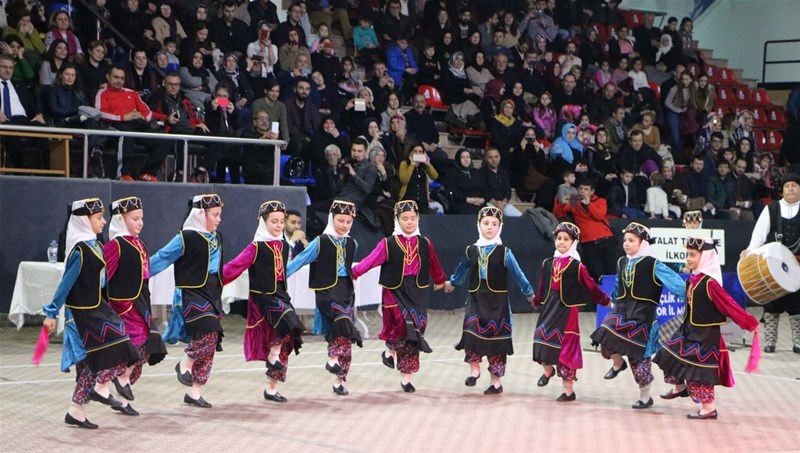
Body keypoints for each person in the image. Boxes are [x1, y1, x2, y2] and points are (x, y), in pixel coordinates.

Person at [42, 198, 139, 429]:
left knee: (90, 364)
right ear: (84, 221)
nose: (104, 221)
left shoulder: (95, 245)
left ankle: (76, 410)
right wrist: (51, 313)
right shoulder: (80, 250)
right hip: (83, 315)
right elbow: (66, 284)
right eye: (98, 217)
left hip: (97, 309)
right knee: (111, 346)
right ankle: (100, 387)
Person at [654, 237, 759, 419]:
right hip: (688, 329)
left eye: (692, 255)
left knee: (699, 371)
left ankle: (709, 408)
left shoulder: (710, 283)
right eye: (687, 254)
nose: (688, 258)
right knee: (668, 354)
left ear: (705, 258)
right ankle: (680, 387)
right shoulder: (693, 279)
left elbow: (729, 305)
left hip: (705, 336)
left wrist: (750, 323)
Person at [352, 200, 447, 392]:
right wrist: (354, 273)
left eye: (413, 218)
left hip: (417, 290)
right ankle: (390, 350)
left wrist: (440, 280)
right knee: (403, 322)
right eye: (405, 218)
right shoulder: (388, 243)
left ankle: (406, 377)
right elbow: (370, 260)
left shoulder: (424, 243)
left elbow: (434, 263)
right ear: (397, 220)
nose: (410, 222)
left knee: (415, 330)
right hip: (394, 289)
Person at [590, 223, 685, 409]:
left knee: (639, 358)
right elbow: (618, 286)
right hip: (621, 311)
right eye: (625, 240)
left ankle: (645, 397)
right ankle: (618, 364)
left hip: (643, 316)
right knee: (604, 335)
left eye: (631, 240)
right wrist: (614, 301)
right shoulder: (622, 262)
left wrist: (691, 297)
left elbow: (677, 284)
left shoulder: (653, 263)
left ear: (643, 242)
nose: (626, 244)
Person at [222, 201, 306, 403]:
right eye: (273, 221)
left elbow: (284, 271)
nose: (278, 225)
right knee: (288, 319)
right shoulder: (256, 247)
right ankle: (272, 354)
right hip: (263, 297)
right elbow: (236, 266)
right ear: (263, 221)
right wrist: (214, 280)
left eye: (280, 222)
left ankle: (271, 387)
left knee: (287, 338)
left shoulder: (283, 244)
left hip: (280, 294)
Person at [445, 206, 534, 394]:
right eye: (486, 223)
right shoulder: (471, 250)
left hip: (498, 303)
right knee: (471, 332)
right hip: (476, 299)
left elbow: (518, 275)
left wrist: (530, 294)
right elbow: (461, 270)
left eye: (494, 224)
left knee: (497, 342)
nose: (490, 227)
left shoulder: (505, 252)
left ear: (500, 227)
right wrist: (452, 282)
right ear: (479, 225)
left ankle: (496, 382)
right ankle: (474, 369)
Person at [149, 194, 225, 408]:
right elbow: (163, 257)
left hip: (212, 293)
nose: (219, 219)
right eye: (215, 215)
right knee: (209, 330)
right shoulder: (186, 237)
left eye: (220, 215)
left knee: (210, 342)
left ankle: (194, 391)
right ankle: (186, 362)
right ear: (202, 214)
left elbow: (219, 269)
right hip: (191, 293)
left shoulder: (218, 238)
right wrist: (138, 272)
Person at [286, 200, 363, 396]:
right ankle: (332, 358)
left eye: (348, 221)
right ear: (332, 218)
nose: (344, 225)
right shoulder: (321, 241)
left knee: (344, 333)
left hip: (346, 290)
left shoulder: (351, 243)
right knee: (342, 320)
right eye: (340, 220)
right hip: (327, 291)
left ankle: (339, 379)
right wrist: (279, 276)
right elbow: (301, 259)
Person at [103, 196, 168, 416]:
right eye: (135, 218)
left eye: (141, 218)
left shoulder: (140, 243)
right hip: (123, 302)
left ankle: (123, 398)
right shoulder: (115, 245)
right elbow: (106, 276)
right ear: (121, 219)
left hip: (141, 299)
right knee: (139, 337)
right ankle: (118, 379)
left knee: (148, 341)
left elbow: (146, 273)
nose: (140, 223)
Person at [533, 222, 611, 402]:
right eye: (559, 238)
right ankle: (548, 369)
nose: (561, 242)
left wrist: (605, 300)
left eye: (566, 239)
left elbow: (591, 286)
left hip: (567, 310)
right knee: (540, 339)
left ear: (574, 242)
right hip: (549, 307)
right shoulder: (547, 263)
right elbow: (542, 285)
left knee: (566, 348)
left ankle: (568, 390)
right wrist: (537, 300)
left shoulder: (577, 266)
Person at [744, 173, 800, 353]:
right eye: (787, 186)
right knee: (771, 305)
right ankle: (769, 342)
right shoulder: (772, 209)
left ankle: (798, 342)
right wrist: (749, 252)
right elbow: (759, 235)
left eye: (794, 185)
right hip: (774, 266)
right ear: (782, 191)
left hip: (798, 267)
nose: (791, 188)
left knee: (797, 305)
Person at [553, 178, 617, 282]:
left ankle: (613, 297)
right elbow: (558, 213)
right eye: (581, 188)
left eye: (586, 189)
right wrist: (561, 203)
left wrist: (588, 204)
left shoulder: (600, 201)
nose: (583, 191)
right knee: (598, 275)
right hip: (589, 243)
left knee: (611, 273)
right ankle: (602, 297)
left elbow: (599, 216)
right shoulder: (575, 202)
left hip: (606, 240)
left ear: (592, 191)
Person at [237, 110, 280, 185]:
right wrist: (261, 139)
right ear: (255, 122)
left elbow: (283, 148)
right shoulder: (247, 133)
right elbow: (249, 144)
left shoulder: (272, 136)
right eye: (261, 118)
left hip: (269, 175)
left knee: (293, 188)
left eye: (267, 119)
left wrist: (277, 141)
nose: (265, 121)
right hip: (252, 174)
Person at [397, 143, 438, 214]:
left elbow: (435, 176)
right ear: (410, 152)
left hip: (422, 200)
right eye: (415, 151)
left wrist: (428, 164)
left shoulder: (424, 165)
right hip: (408, 200)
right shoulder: (404, 164)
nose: (417, 153)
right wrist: (412, 165)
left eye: (420, 151)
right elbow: (404, 180)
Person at [481, 147, 522, 217]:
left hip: (504, 204)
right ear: (486, 159)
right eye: (490, 157)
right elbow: (484, 191)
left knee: (521, 218)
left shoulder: (504, 172)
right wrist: (496, 203)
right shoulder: (481, 173)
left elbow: (508, 190)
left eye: (496, 157)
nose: (494, 160)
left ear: (500, 158)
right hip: (489, 203)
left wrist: (503, 203)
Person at [447, 149, 488, 215]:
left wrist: (482, 199)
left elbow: (485, 190)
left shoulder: (477, 172)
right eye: (463, 157)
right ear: (458, 159)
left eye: (468, 157)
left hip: (479, 204)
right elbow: (452, 192)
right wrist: (468, 200)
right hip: (461, 204)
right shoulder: (452, 173)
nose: (466, 159)